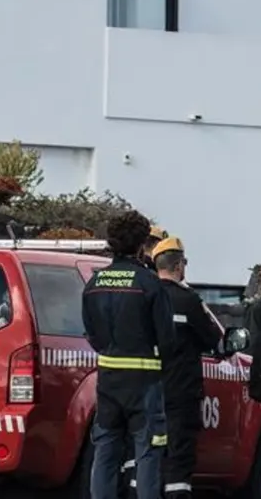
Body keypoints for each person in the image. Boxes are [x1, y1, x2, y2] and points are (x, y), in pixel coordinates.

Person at [82, 211, 177, 499]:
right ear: (141, 246)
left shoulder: (93, 284)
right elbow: (168, 340)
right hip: (145, 383)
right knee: (148, 453)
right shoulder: (149, 284)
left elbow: (92, 335)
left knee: (106, 451)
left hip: (108, 380)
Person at [154, 237, 223, 499]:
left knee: (145, 457)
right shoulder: (188, 300)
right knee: (179, 460)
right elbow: (213, 340)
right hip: (180, 393)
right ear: (179, 266)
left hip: (144, 393)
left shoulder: (144, 296)